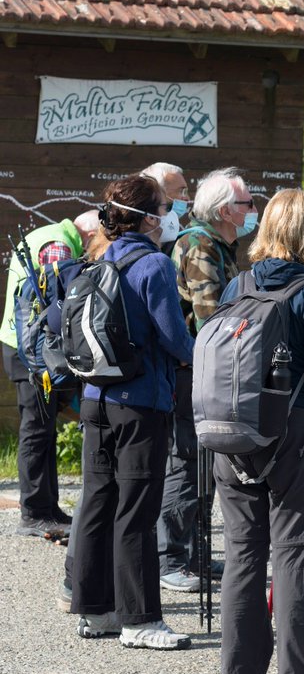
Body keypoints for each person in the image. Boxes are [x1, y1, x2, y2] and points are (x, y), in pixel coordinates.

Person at [213, 189, 304, 674]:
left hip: (231, 437)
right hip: (292, 438)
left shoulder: (236, 286)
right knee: (294, 557)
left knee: (243, 557)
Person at [70, 175, 195, 650]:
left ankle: (95, 610)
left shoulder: (101, 257)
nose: (170, 214)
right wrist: (200, 353)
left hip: (94, 398)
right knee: (137, 510)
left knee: (97, 503)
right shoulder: (155, 265)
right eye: (165, 207)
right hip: (139, 401)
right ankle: (140, 620)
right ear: (148, 217)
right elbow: (172, 336)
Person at [158, 168, 255, 593]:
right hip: (193, 373)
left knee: (205, 463)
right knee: (186, 462)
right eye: (246, 203)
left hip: (209, 371)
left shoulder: (220, 245)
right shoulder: (199, 244)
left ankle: (194, 552)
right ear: (223, 211)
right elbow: (210, 317)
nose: (253, 210)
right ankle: (170, 557)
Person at [1, 210, 95, 539]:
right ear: (89, 234)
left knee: (43, 428)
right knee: (37, 430)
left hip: (23, 348)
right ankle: (35, 513)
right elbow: (60, 304)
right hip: (35, 354)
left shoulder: (47, 233)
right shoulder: (59, 245)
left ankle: (47, 508)